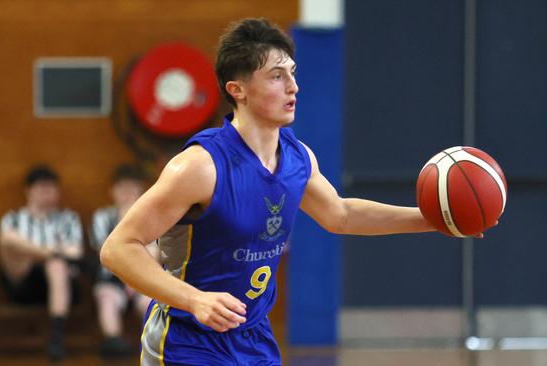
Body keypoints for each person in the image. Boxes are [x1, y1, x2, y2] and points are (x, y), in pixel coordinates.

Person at [100, 18, 448, 365]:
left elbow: (341, 215)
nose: (293, 87)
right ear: (238, 90)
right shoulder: (198, 167)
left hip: (253, 340)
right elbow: (118, 248)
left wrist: (433, 219)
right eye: (277, 76)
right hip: (187, 340)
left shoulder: (298, 158)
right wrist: (194, 300)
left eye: (293, 73)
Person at [0, 165, 83, 361]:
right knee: (11, 242)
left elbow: (74, 253)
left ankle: (56, 336)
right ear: (29, 191)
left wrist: (45, 255)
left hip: (63, 284)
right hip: (23, 282)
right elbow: (6, 240)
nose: (47, 193)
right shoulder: (13, 219)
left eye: (51, 188)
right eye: (42, 188)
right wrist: (50, 252)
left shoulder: (67, 219)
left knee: (56, 265)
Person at [90, 164, 157, 357]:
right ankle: (114, 341)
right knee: (107, 298)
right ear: (113, 191)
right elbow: (105, 251)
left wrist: (134, 277)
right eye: (122, 189)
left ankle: (154, 344)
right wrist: (124, 218)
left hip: (144, 276)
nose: (127, 195)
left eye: (132, 189)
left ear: (141, 191)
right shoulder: (102, 217)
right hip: (112, 277)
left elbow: (155, 252)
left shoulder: (151, 217)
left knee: (149, 301)